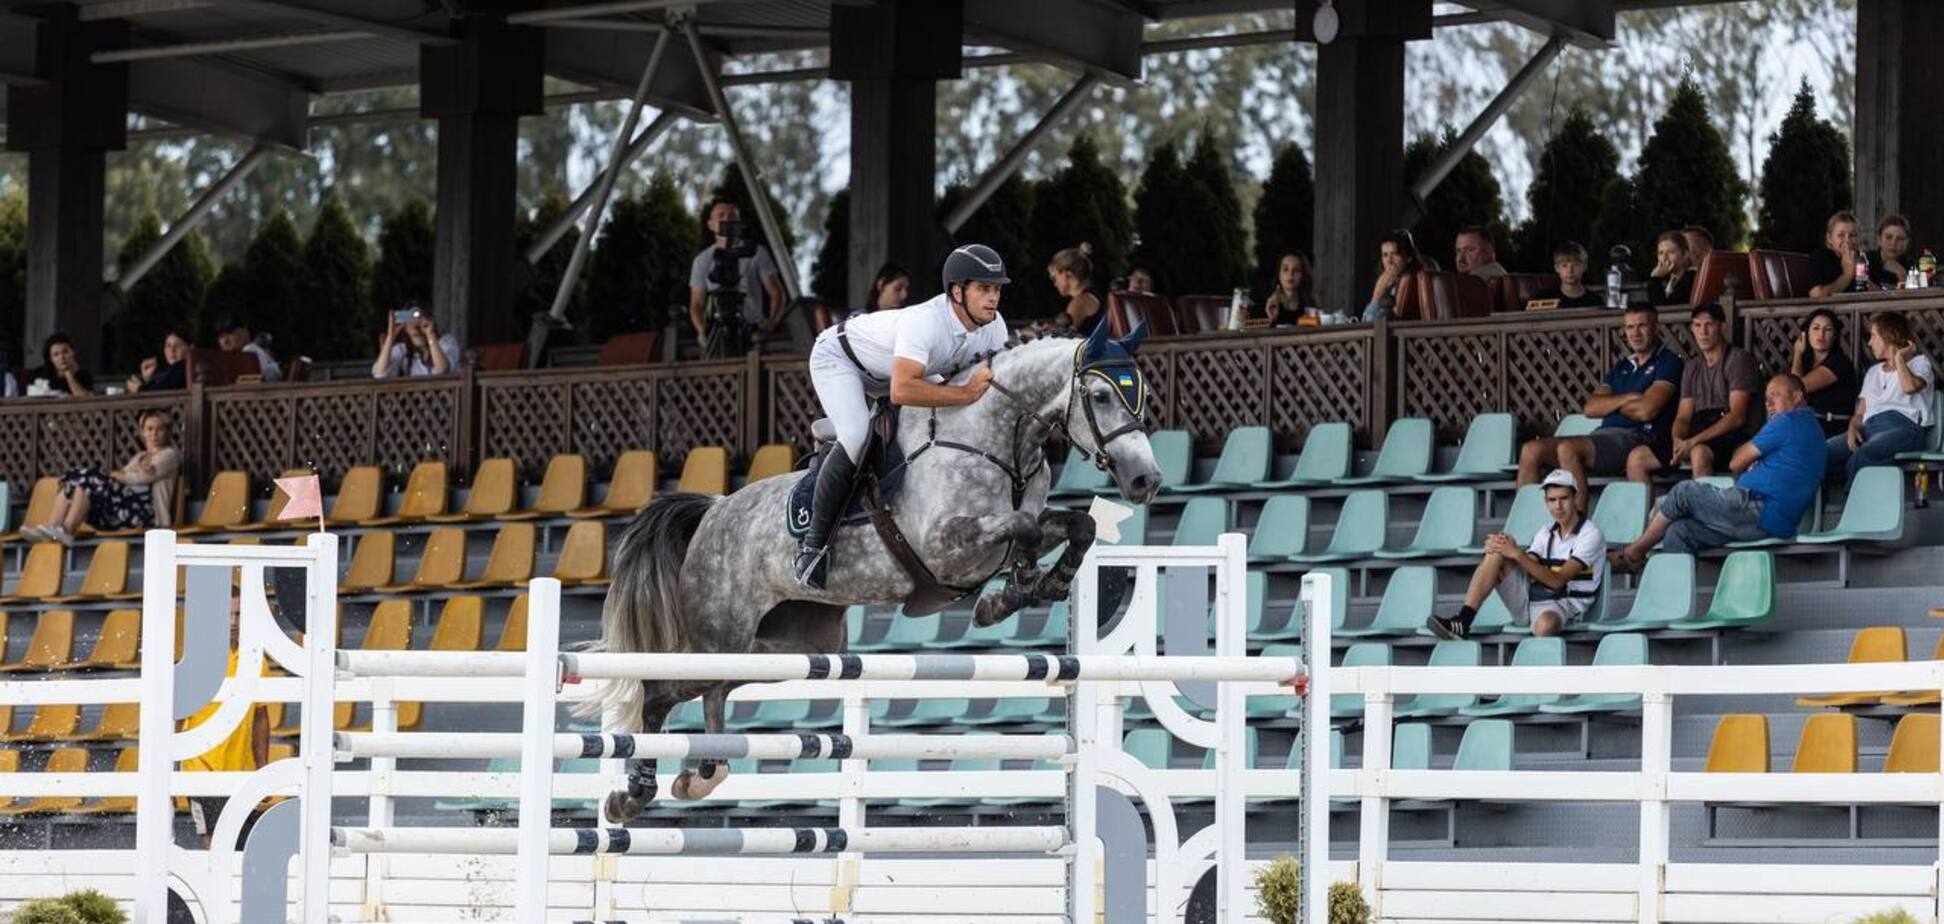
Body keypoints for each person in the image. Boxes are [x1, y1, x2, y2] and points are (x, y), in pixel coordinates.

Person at [793, 244, 1010, 590]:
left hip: (895, 369)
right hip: (841, 359)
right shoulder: (927, 322)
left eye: (997, 289)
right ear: (957, 292)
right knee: (856, 434)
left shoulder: (994, 327)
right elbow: (902, 391)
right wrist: (966, 393)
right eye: (984, 288)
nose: (993, 298)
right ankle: (812, 547)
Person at [1615, 374, 1826, 563]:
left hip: (1758, 510)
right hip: (1761, 521)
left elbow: (1736, 462)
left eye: (1776, 395)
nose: (1769, 402)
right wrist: (1753, 460)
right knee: (1679, 531)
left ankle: (1635, 551)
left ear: (1797, 397)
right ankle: (1672, 602)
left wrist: (1751, 460)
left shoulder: (1788, 421)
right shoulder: (1809, 428)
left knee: (1683, 492)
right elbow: (1746, 462)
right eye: (1766, 397)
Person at [1515, 304, 1683, 513]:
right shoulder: (1621, 367)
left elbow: (1646, 411)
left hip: (1637, 437)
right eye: (1630, 328)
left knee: (1568, 448)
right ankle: (1528, 523)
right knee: (1531, 449)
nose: (1635, 333)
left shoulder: (1668, 362)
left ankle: (1576, 528)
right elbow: (1591, 408)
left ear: (1656, 328)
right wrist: (1629, 398)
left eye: (1642, 326)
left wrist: (1611, 405)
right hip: (1602, 438)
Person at [1425, 469, 1604, 641]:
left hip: (1565, 607)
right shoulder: (1545, 532)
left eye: (1563, 498)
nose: (1557, 506)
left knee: (1546, 624)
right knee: (1497, 552)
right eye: (1552, 500)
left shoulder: (1590, 534)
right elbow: (1528, 567)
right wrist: (1505, 547)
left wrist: (1517, 553)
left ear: (1575, 498)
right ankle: (1463, 621)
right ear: (1546, 502)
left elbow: (1557, 581)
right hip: (1530, 600)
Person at [179, 591, 269, 849]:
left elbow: (261, 716)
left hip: (241, 769)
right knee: (216, 841)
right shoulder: (198, 659)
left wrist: (262, 767)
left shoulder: (255, 659)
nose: (232, 621)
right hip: (203, 768)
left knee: (241, 844)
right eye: (227, 614)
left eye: (238, 614)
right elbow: (176, 716)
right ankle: (215, 890)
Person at [22, 408, 179, 544]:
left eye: (160, 429)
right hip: (124, 510)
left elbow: (137, 479)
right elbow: (122, 477)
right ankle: (54, 528)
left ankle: (67, 530)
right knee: (75, 480)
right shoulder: (140, 457)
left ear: (167, 431)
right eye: (149, 429)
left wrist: (123, 475)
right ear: (143, 432)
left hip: (147, 516)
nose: (154, 434)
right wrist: (124, 474)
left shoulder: (169, 455)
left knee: (87, 477)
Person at [1825, 312, 1934, 485]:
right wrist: (1852, 428)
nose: (1869, 343)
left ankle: (1856, 507)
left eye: (1873, 336)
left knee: (1865, 454)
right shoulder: (1873, 372)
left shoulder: (1920, 363)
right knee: (1822, 453)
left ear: (1889, 336)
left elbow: (1910, 387)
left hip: (1905, 428)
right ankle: (1815, 508)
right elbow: (1860, 413)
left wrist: (1898, 358)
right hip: (1868, 428)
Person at [1669, 303, 1761, 477]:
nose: (1703, 332)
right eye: (1697, 325)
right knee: (1641, 457)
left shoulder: (1738, 359)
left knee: (1698, 453)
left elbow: (1737, 417)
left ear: (1722, 327)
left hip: (1735, 435)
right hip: (1702, 433)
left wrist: (1692, 442)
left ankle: (1704, 504)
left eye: (1709, 325)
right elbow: (1683, 416)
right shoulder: (1692, 367)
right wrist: (1678, 441)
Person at [687, 200, 786, 352]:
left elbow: (776, 293)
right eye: (721, 216)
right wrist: (702, 331)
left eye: (732, 216)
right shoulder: (703, 260)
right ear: (711, 224)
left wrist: (771, 324)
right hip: (717, 330)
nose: (727, 220)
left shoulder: (755, 252)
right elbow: (696, 304)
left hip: (751, 330)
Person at [1790, 308, 1859, 437]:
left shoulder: (1839, 362)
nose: (1821, 335)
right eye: (1816, 328)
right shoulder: (1804, 364)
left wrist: (1797, 353)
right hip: (1808, 422)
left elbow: (1797, 387)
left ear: (1834, 336)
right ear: (1806, 334)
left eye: (1827, 330)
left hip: (1832, 425)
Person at [1808, 211, 1896, 298]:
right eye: (1841, 235)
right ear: (1830, 238)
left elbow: (1883, 295)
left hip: (1865, 309)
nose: (1848, 240)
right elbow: (1817, 295)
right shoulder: (1821, 257)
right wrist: (1847, 275)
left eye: (1853, 235)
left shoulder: (1865, 258)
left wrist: (1861, 277)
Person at [815, 262, 910, 331]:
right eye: (897, 288)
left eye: (907, 290)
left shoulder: (903, 322)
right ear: (881, 284)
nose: (904, 295)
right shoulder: (859, 319)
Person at [1363, 230, 1434, 321]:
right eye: (1385, 255)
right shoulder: (1391, 286)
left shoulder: (1409, 286)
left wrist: (1376, 297)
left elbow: (1370, 323)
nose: (1389, 261)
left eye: (1395, 254)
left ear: (1409, 257)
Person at [371, 309, 460, 378]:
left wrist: (430, 334)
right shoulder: (402, 349)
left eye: (419, 320)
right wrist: (390, 337)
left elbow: (443, 370)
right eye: (411, 319)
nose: (416, 326)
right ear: (405, 327)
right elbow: (380, 374)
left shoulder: (446, 342)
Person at [1526, 241, 1603, 309]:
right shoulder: (1542, 299)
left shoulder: (1595, 301)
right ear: (1556, 268)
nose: (1570, 270)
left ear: (1585, 266)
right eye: (1564, 265)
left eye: (1576, 265)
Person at [1047, 244, 1103, 335]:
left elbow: (1063, 336)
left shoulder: (1080, 302)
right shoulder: (1091, 296)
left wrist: (1034, 333)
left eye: (1055, 277)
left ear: (1066, 274)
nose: (1055, 283)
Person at [24, 332, 94, 397]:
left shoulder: (84, 375)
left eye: (65, 352)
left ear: (72, 352)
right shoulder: (40, 374)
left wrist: (68, 374)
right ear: (51, 358)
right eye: (56, 354)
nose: (61, 357)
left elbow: (85, 399)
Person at [1258, 251, 1316, 325]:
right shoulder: (1268, 306)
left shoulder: (1310, 306)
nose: (1290, 274)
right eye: (1285, 269)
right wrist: (1272, 319)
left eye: (1297, 270)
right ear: (1278, 274)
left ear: (1303, 276)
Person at [215, 318, 282, 382]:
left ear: (245, 333)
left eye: (230, 334)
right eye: (221, 337)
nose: (225, 341)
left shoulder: (249, 351)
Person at [126, 328, 191, 393]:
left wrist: (139, 389)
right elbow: (162, 388)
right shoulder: (180, 369)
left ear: (190, 347)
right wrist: (147, 379)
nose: (172, 350)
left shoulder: (182, 367)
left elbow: (157, 393)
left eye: (178, 345)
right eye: (168, 346)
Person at [1645, 231, 1696, 307]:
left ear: (1685, 254)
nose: (1665, 258)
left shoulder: (1693, 279)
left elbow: (1664, 307)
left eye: (1671, 252)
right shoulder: (1663, 279)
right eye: (1661, 253)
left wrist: (1654, 280)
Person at [1871, 214, 1913, 281]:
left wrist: (1902, 275)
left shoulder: (1912, 267)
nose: (1893, 243)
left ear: (1907, 242)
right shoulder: (1865, 260)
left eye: (1900, 239)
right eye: (1888, 237)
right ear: (1879, 240)